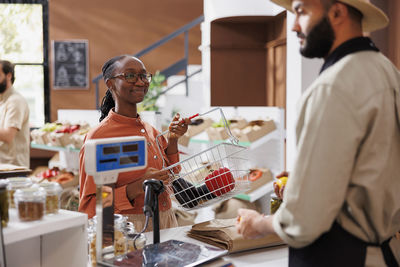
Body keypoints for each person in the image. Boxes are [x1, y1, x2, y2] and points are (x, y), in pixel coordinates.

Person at [236, 0, 400, 266]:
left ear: (337, 12)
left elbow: (306, 220)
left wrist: (259, 222)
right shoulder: (388, 71)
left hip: (342, 257)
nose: (293, 26)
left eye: (301, 11)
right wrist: (305, 179)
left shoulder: (332, 86)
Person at [79, 55, 190, 231]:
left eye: (144, 76)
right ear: (110, 84)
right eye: (130, 76)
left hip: (167, 222)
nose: (140, 82)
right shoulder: (99, 137)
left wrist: (173, 140)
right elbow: (91, 206)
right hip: (130, 228)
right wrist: (136, 188)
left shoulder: (150, 130)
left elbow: (171, 174)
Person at [0, 60, 30, 168]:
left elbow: (8, 136)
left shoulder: (16, 101)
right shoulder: (3, 101)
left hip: (13, 169)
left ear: (8, 76)